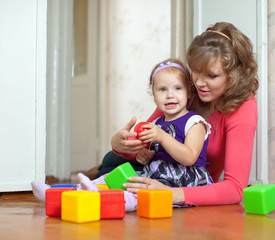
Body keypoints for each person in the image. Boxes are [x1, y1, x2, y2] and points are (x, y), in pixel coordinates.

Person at [97, 22, 259, 206]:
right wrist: (120, 145)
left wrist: (171, 194)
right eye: (196, 71)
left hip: (183, 182)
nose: (199, 83)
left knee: (112, 179)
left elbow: (236, 188)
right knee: (111, 162)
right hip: (151, 166)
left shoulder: (243, 106)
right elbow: (146, 142)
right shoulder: (183, 91)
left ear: (234, 76)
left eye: (212, 76)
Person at [31, 58, 212, 211]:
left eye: (178, 88)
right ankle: (58, 193)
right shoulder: (157, 124)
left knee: (134, 193)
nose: (170, 95)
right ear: (154, 94)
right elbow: (152, 153)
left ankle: (99, 199)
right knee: (111, 177)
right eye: (162, 90)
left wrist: (163, 137)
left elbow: (189, 157)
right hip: (155, 174)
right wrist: (144, 156)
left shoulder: (194, 123)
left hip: (181, 181)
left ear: (189, 91)